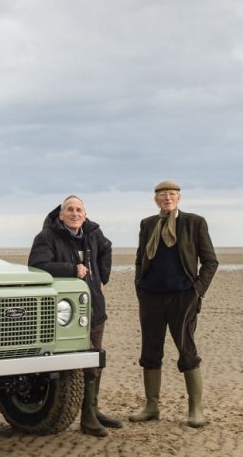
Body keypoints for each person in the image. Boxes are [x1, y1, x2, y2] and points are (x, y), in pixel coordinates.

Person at [130, 180, 218, 428]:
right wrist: (140, 286)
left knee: (187, 350)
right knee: (150, 351)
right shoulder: (148, 224)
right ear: (156, 199)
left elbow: (211, 261)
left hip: (183, 297)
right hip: (151, 297)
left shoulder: (194, 222)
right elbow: (140, 259)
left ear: (179, 198)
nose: (167, 198)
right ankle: (151, 406)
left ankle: (195, 408)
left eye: (171, 194)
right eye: (162, 195)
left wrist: (197, 291)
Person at [28, 195, 118, 437]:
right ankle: (86, 419)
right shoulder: (47, 237)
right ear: (61, 214)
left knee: (96, 359)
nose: (75, 214)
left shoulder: (93, 233)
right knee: (81, 362)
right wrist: (71, 270)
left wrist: (101, 277)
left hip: (94, 307)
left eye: (79, 210)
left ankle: (93, 411)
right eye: (70, 210)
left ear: (85, 214)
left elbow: (107, 249)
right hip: (64, 313)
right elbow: (37, 266)